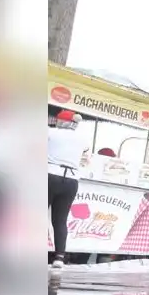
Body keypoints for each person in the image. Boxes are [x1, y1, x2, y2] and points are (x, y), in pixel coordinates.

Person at [48, 109, 86, 268]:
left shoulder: (51, 132)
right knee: (60, 220)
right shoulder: (82, 139)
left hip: (49, 174)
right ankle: (59, 257)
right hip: (71, 180)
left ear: (61, 122)